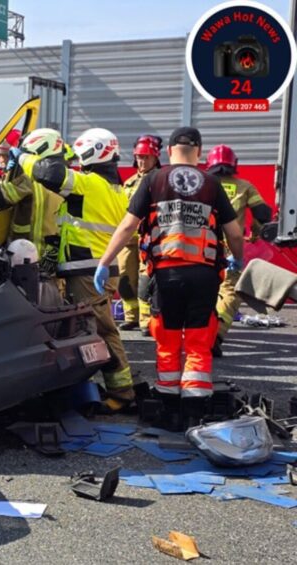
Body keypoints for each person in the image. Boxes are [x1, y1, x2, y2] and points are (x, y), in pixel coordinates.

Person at [94, 127, 244, 425]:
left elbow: (128, 226)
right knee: (199, 341)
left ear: (169, 151)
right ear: (199, 151)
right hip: (204, 274)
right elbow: (235, 233)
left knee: (168, 339)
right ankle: (195, 410)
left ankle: (168, 404)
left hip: (166, 275)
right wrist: (237, 259)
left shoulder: (153, 180)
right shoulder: (212, 183)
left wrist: (104, 262)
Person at [9, 127, 135, 410]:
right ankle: (103, 389)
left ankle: (122, 394)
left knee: (101, 330)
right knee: (88, 330)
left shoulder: (90, 184)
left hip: (88, 271)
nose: (76, 161)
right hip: (97, 269)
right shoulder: (116, 190)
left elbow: (48, 173)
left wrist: (23, 157)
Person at [206, 144, 273, 356]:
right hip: (230, 248)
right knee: (230, 291)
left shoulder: (202, 185)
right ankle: (215, 335)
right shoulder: (245, 187)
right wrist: (256, 233)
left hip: (201, 248)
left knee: (202, 291)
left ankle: (194, 337)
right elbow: (263, 214)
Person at [0, 128, 65, 268]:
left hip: (26, 252)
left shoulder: (31, 177)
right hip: (52, 253)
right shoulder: (65, 177)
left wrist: (8, 173)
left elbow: (3, 196)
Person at [117, 135, 162, 331]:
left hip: (149, 238)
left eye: (146, 157)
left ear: (155, 158)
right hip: (128, 239)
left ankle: (146, 321)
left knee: (146, 280)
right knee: (124, 278)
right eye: (139, 157)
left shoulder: (160, 180)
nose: (142, 161)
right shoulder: (129, 183)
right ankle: (131, 317)